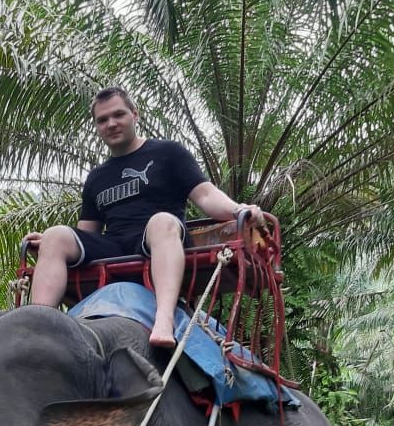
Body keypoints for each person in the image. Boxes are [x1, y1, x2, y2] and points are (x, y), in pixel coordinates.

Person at [26, 88, 265, 348]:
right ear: (97, 126)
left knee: (161, 220)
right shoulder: (97, 177)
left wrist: (237, 209)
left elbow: (205, 195)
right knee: (55, 235)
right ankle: (36, 328)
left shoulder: (168, 153)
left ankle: (164, 320)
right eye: (102, 120)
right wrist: (51, 242)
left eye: (118, 115)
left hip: (159, 240)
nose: (111, 124)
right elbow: (87, 232)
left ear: (135, 115)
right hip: (114, 246)